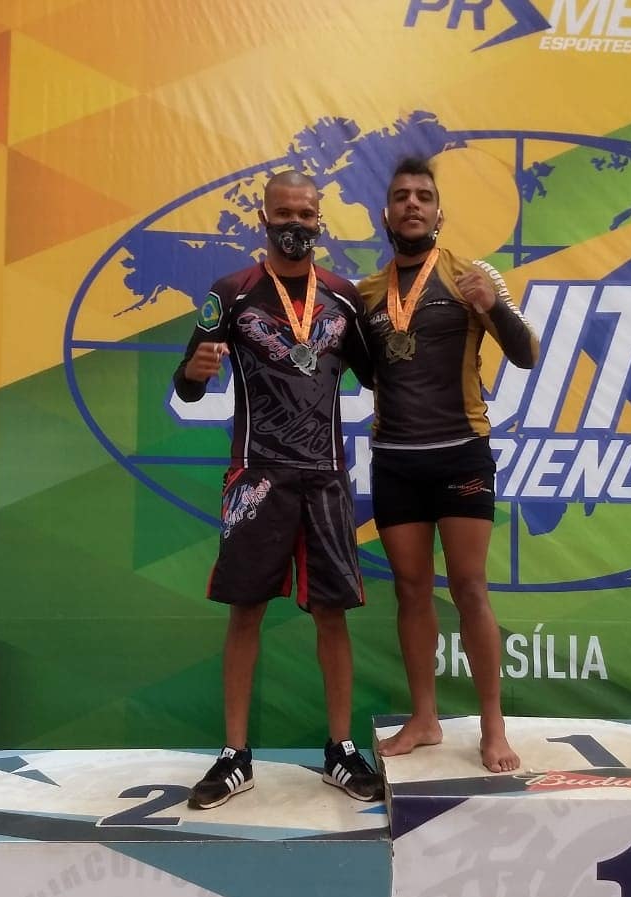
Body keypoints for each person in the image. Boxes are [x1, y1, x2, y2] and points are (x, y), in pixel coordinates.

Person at [173, 171, 383, 809]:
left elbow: (379, 375)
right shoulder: (231, 292)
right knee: (246, 610)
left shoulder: (343, 297)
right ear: (263, 218)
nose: (296, 223)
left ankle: (340, 750)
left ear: (320, 220)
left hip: (325, 476)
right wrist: (193, 372)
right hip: (257, 474)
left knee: (331, 614)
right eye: (284, 213)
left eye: (306, 213)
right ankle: (235, 755)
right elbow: (187, 387)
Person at [357, 156, 540, 773]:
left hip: (460, 452)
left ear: (439, 213)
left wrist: (497, 307)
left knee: (469, 588)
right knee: (411, 590)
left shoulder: (473, 277)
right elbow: (367, 373)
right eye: (401, 196)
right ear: (386, 214)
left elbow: (526, 354)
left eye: (423, 196)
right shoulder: (367, 294)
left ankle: (493, 726)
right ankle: (425, 719)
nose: (412, 203)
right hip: (395, 461)